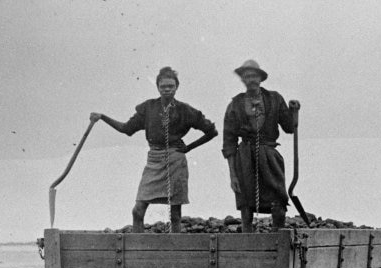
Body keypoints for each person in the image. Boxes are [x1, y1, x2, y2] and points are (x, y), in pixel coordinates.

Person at [90, 67, 217, 233]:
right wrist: (103, 117)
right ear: (157, 87)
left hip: (175, 160)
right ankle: (137, 250)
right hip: (154, 160)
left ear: (177, 87)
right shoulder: (148, 108)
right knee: (138, 210)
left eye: (170, 86)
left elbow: (211, 131)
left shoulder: (185, 110)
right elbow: (126, 129)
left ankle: (176, 250)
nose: (167, 89)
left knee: (175, 214)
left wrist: (188, 148)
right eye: (163, 86)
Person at [222, 59, 299, 232]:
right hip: (244, 158)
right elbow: (229, 143)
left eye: (254, 76)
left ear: (261, 78)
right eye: (246, 76)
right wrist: (233, 175)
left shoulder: (274, 99)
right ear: (242, 80)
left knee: (278, 199)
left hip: (270, 155)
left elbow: (289, 128)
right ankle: (247, 240)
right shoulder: (235, 105)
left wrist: (294, 111)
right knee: (246, 202)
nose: (251, 79)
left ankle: (277, 238)